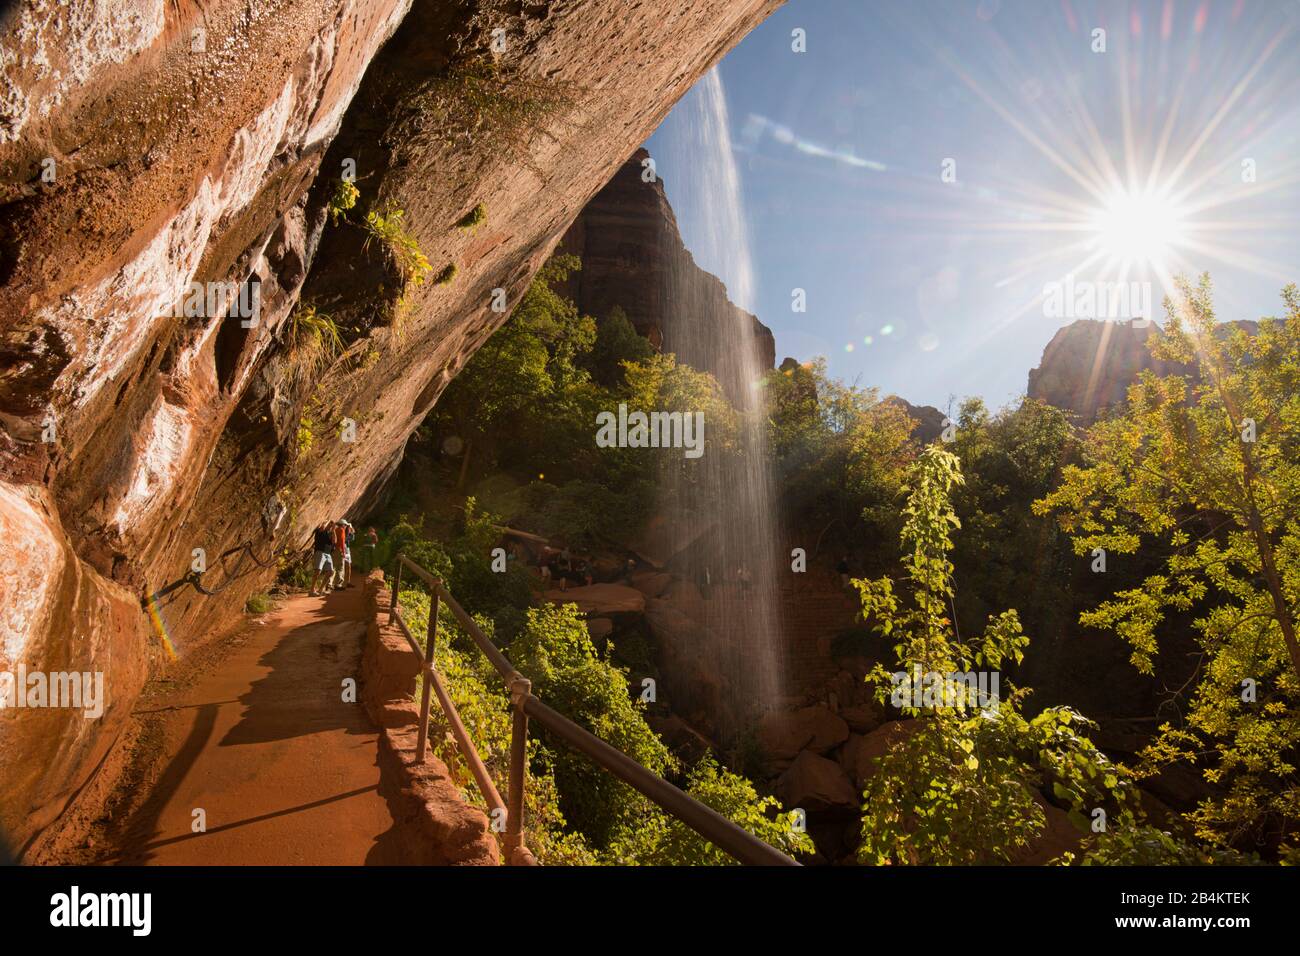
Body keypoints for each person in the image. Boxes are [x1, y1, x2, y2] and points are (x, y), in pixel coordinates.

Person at [309, 522, 336, 596]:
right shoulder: (319, 532)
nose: (330, 526)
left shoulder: (329, 533)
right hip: (320, 552)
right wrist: (326, 522)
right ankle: (311, 590)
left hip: (328, 553)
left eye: (331, 525)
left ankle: (320, 590)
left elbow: (334, 541)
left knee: (330, 572)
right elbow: (322, 527)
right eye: (329, 524)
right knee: (318, 570)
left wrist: (333, 530)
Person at [333, 519, 349, 589]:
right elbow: (342, 542)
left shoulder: (335, 530)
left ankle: (330, 583)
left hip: (334, 550)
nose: (345, 526)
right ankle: (338, 584)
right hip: (339, 550)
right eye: (345, 525)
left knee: (334, 566)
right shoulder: (341, 530)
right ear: (342, 525)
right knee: (340, 567)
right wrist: (343, 552)